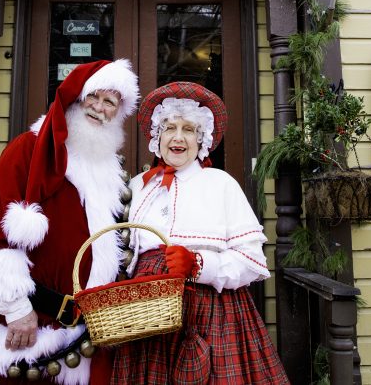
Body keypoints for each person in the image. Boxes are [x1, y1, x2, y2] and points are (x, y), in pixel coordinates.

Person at [0, 59, 140, 384]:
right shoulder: (28, 149)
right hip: (33, 325)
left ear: (119, 113)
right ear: (76, 97)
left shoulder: (111, 171)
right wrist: (15, 310)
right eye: (94, 97)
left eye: (110, 102)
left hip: (88, 334)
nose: (99, 108)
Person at [111, 82, 289, 384]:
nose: (178, 138)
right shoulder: (138, 185)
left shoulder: (220, 184)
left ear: (202, 139)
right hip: (146, 317)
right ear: (157, 137)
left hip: (210, 314)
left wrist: (199, 265)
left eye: (189, 129)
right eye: (169, 128)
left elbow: (251, 261)